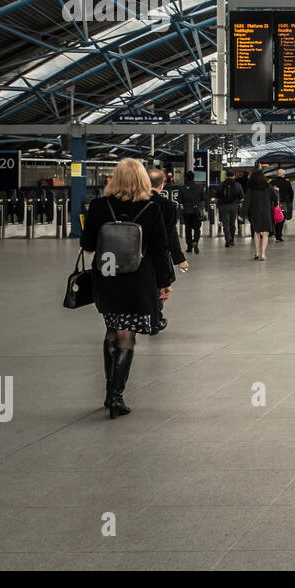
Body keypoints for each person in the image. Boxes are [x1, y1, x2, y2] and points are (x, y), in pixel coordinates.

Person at [79, 158, 174, 419]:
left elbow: (87, 245)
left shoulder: (99, 205)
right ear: (143, 179)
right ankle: (116, 396)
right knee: (127, 332)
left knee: (111, 328)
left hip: (106, 277)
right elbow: (159, 249)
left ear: (115, 178)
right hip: (137, 278)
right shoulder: (152, 208)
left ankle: (110, 393)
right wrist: (164, 284)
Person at [148, 168, 188, 331]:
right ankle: (155, 320)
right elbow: (171, 235)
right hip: (158, 252)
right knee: (158, 284)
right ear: (162, 184)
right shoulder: (167, 205)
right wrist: (180, 259)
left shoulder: (133, 200)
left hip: (133, 252)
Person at [240, 168, 275, 261]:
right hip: (266, 212)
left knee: (256, 232)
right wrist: (274, 204)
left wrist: (242, 214)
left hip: (255, 213)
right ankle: (263, 254)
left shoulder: (251, 188)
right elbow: (275, 197)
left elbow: (246, 202)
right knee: (265, 233)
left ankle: (257, 252)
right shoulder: (268, 187)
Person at [178, 170, 206, 253]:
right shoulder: (200, 187)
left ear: (186, 178)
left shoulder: (182, 188)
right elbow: (203, 198)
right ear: (194, 177)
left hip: (187, 212)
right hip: (197, 211)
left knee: (188, 229)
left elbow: (179, 200)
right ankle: (195, 241)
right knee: (197, 228)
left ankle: (189, 246)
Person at [216, 172, 243, 247]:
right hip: (234, 206)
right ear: (234, 176)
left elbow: (217, 195)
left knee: (226, 224)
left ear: (226, 176)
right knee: (232, 223)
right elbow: (241, 196)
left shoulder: (221, 184)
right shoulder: (238, 185)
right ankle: (232, 240)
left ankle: (227, 240)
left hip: (224, 206)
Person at [271, 169, 295, 242]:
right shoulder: (287, 183)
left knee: (274, 219)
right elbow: (291, 193)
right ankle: (279, 236)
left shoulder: (272, 183)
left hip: (273, 204)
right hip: (283, 204)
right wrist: (290, 202)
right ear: (283, 175)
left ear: (277, 174)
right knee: (281, 219)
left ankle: (274, 233)